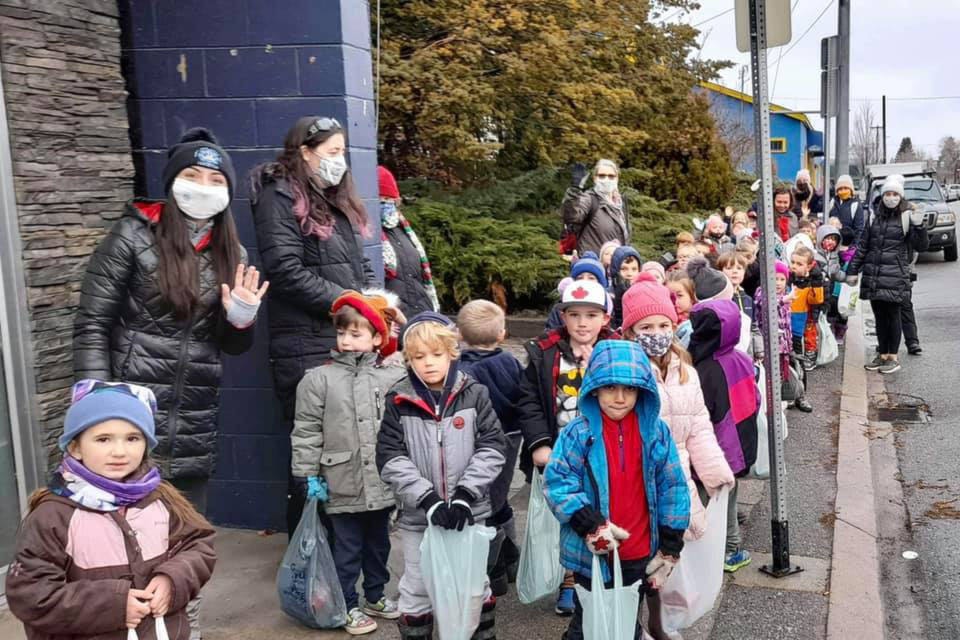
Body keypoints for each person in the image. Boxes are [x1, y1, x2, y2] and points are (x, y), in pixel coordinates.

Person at [74, 127, 266, 512]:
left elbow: (230, 345)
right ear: (172, 182)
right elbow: (92, 323)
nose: (203, 187)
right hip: (128, 416)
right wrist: (100, 403)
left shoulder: (234, 252)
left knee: (182, 542)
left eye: (215, 180)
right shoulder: (132, 234)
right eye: (191, 176)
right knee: (124, 543)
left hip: (194, 416)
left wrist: (242, 318)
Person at [6, 381, 216, 640]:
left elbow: (199, 545)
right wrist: (114, 606)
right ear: (75, 447)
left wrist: (172, 580)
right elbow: (31, 594)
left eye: (133, 438)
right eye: (103, 439)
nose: (119, 451)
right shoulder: (53, 516)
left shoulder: (161, 499)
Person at [251, 116, 377, 534]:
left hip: (340, 339)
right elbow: (285, 271)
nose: (340, 161)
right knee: (312, 458)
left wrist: (373, 301)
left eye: (343, 152)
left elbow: (358, 266)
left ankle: (340, 552)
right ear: (305, 152)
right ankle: (308, 552)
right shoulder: (280, 196)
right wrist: (348, 304)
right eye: (332, 153)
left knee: (344, 450)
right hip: (305, 347)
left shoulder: (333, 198)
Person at [543, 339, 690, 640]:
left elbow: (673, 485)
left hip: (640, 551)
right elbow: (558, 480)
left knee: (626, 620)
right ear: (594, 387)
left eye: (630, 389)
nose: (620, 398)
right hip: (591, 551)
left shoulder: (655, 431)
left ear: (643, 390)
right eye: (610, 388)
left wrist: (671, 542)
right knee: (587, 622)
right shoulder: (579, 432)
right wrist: (589, 523)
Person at [376, 312, 507, 640]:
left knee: (474, 584)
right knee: (417, 587)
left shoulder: (474, 394)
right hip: (419, 518)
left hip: (470, 513)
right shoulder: (398, 400)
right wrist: (428, 499)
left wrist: (465, 494)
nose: (429, 363)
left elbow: (492, 447)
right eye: (419, 357)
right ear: (408, 358)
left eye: (436, 354)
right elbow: (391, 458)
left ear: (452, 352)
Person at [620, 278, 735, 640]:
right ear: (630, 331)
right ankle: (630, 623)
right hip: (634, 480)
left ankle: (656, 623)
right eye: (646, 327)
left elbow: (699, 425)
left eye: (663, 325)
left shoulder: (686, 372)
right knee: (634, 555)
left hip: (676, 478)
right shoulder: (624, 371)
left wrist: (714, 470)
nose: (657, 333)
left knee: (666, 554)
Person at [291, 290, 406, 634]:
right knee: (347, 549)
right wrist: (308, 474)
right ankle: (347, 604)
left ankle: (375, 595)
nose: (346, 340)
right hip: (341, 480)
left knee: (379, 545)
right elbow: (307, 430)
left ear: (376, 338)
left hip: (381, 482)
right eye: (342, 333)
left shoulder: (391, 377)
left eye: (356, 334)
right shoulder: (318, 379)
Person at [516, 279, 617, 616]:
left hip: (602, 454)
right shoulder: (544, 353)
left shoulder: (615, 350)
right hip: (559, 454)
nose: (582, 323)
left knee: (601, 512)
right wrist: (539, 443)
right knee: (567, 517)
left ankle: (603, 574)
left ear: (604, 318)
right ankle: (570, 581)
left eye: (591, 315)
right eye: (574, 315)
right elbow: (528, 401)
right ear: (563, 316)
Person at [457, 299, 525, 596]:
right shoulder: (509, 361)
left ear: (459, 334)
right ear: (502, 334)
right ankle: (512, 558)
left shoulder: (461, 370)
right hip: (511, 435)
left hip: (481, 441)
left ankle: (494, 565)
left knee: (483, 502)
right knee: (500, 493)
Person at [686, 300, 760, 573]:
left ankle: (717, 550)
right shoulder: (740, 359)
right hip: (741, 443)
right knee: (729, 494)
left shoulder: (702, 369)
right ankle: (732, 548)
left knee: (707, 499)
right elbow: (756, 397)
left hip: (715, 449)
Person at [847, 176, 929, 374]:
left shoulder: (907, 215)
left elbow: (921, 245)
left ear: (900, 196)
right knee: (880, 318)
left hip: (895, 275)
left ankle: (892, 356)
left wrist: (920, 226)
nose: (890, 198)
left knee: (893, 317)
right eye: (887, 194)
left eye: (894, 194)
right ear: (882, 195)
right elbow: (864, 246)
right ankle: (882, 354)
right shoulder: (874, 216)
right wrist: (852, 270)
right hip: (874, 275)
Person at [378, 166, 441, 317]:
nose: (386, 204)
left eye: (390, 199)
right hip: (393, 318)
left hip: (420, 314)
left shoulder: (404, 230)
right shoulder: (369, 234)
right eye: (381, 200)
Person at [561, 160, 631, 257]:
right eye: (602, 176)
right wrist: (575, 189)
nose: (606, 179)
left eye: (611, 176)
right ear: (595, 178)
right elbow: (572, 216)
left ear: (617, 178)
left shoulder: (620, 203)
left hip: (615, 267)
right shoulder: (589, 199)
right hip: (592, 266)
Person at [788, 246, 824, 385]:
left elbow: (816, 300)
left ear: (809, 266)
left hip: (799, 323)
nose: (794, 266)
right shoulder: (788, 278)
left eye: (799, 264)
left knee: (798, 359)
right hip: (786, 323)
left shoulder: (811, 281)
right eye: (793, 262)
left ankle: (800, 390)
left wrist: (816, 282)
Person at [545, 253, 610, 331]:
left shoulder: (607, 304)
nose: (585, 281)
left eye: (591, 278)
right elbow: (551, 330)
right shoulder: (561, 305)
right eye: (580, 278)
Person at [718, 251, 764, 360]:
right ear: (720, 272)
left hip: (748, 353)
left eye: (739, 268)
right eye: (729, 268)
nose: (735, 272)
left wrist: (759, 350)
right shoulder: (720, 300)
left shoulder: (747, 299)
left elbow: (753, 327)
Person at [816, 225, 849, 341]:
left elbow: (835, 273)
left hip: (830, 288)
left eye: (834, 239)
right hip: (818, 289)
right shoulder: (816, 255)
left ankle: (830, 335)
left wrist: (847, 277)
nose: (831, 242)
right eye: (828, 238)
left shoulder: (834, 256)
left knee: (831, 310)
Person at [826, 174, 865, 250]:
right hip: (832, 245)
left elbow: (859, 229)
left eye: (846, 188)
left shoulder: (855, 204)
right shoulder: (833, 202)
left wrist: (852, 248)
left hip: (847, 247)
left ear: (851, 190)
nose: (843, 191)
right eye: (840, 189)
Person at [611, 245, 642, 329]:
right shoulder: (609, 294)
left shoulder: (642, 293)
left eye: (634, 269)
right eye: (624, 269)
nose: (629, 273)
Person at [666, 270, 697, 348]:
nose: (675, 300)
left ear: (692, 296)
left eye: (679, 295)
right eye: (670, 296)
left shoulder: (698, 322)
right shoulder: (665, 318)